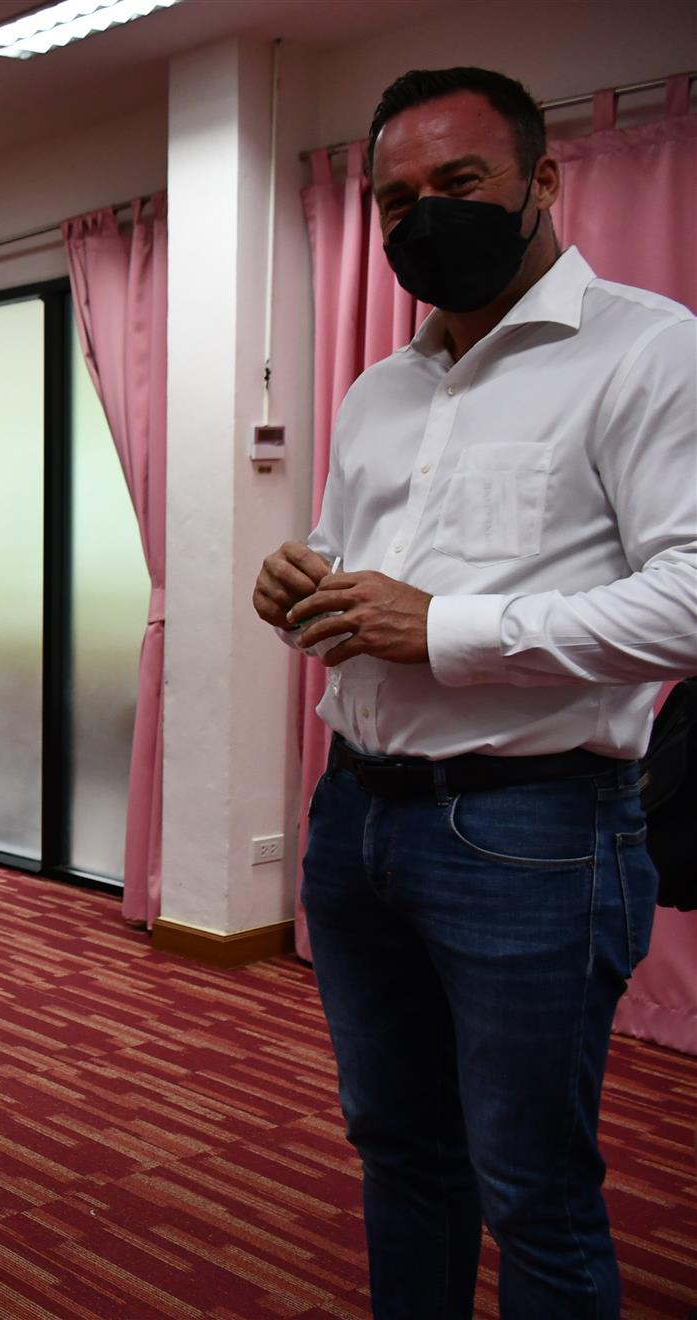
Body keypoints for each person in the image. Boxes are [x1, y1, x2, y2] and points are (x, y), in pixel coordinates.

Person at [252, 67, 696, 1317]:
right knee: (400, 1151)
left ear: (542, 181)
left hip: (533, 830)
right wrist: (301, 581)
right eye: (396, 201)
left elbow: (690, 596)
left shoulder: (650, 351)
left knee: (534, 1190)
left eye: (459, 182)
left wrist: (445, 627)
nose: (424, 217)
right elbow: (352, 558)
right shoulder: (379, 389)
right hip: (356, 817)